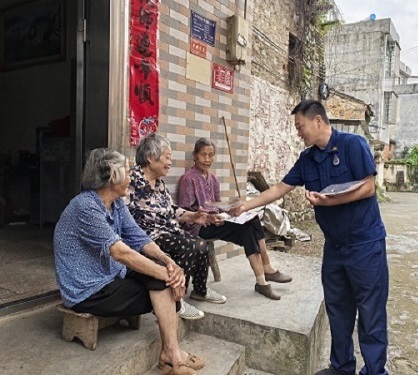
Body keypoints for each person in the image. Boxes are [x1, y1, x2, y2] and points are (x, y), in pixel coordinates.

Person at [229, 100, 389, 375]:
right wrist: (247, 205)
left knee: (371, 312)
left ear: (317, 121)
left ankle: (375, 371)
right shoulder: (307, 159)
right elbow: (280, 187)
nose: (298, 132)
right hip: (335, 248)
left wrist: (329, 202)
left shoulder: (353, 145)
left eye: (300, 126)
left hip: (365, 244)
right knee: (338, 309)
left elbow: (368, 188)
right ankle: (341, 368)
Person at [54, 148, 204, 375]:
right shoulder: (85, 206)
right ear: (111, 175)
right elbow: (121, 253)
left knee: (163, 279)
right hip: (87, 289)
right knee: (162, 287)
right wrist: (165, 274)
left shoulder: (116, 204)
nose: (131, 176)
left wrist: (167, 262)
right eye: (126, 171)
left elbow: (138, 238)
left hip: (112, 274)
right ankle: (172, 356)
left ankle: (170, 355)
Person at [126, 133, 226, 320]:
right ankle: (176, 301)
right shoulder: (131, 181)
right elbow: (122, 214)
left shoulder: (160, 184)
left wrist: (193, 216)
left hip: (167, 230)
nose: (170, 162)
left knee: (201, 243)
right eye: (167, 157)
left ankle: (200, 290)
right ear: (150, 157)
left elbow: (172, 210)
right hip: (148, 235)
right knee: (188, 246)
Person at [177, 138, 292, 301]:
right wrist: (207, 216)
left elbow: (216, 205)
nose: (207, 159)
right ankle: (264, 275)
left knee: (251, 220)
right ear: (194, 156)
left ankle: (263, 276)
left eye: (211, 155)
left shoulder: (213, 179)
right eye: (203, 155)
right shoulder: (188, 179)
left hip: (216, 220)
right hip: (199, 226)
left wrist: (231, 209)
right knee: (247, 228)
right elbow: (185, 211)